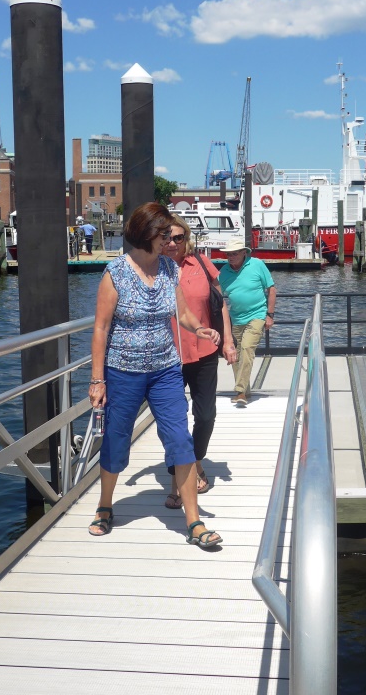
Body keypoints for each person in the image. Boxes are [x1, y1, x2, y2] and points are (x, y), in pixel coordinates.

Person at [87, 202, 223, 549]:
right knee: (117, 442)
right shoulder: (115, 274)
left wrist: (200, 329)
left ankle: (193, 521)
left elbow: (180, 311)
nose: (169, 240)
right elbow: (101, 329)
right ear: (147, 234)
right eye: (164, 233)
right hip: (123, 372)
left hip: (164, 370)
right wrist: (97, 380)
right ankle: (105, 506)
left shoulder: (167, 269)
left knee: (180, 439)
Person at [162, 215, 237, 509]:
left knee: (205, 415)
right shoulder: (154, 267)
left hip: (204, 351)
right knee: (173, 421)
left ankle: (195, 461)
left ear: (187, 238)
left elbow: (221, 305)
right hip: (167, 356)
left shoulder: (202, 264)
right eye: (166, 237)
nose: (172, 243)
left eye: (178, 237)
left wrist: (228, 341)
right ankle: (176, 481)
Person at [218, 236, 275, 406]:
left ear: (244, 253)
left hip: (257, 314)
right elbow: (215, 296)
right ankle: (245, 390)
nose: (231, 256)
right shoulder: (224, 272)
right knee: (235, 354)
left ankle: (240, 391)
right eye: (228, 254)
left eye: (235, 253)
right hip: (235, 318)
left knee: (247, 348)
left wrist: (270, 315)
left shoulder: (257, 264)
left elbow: (271, 289)